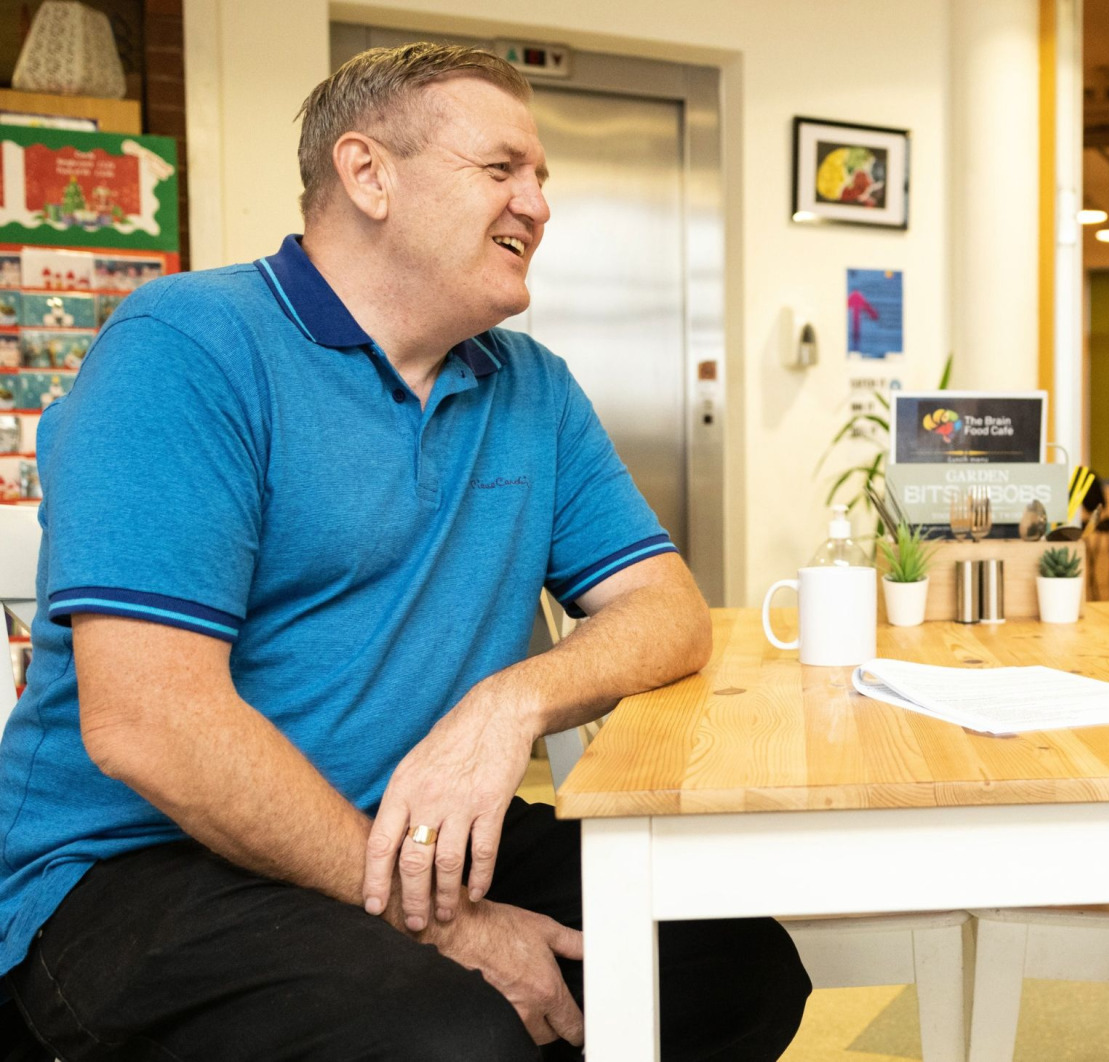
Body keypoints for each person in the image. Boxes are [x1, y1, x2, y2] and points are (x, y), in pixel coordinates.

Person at [0, 43, 810, 1061]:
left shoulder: (533, 388)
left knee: (724, 968)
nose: (538, 204)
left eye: (543, 177)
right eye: (502, 168)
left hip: (412, 835)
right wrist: (449, 928)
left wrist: (504, 703)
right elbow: (152, 724)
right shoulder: (187, 345)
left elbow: (667, 610)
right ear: (367, 173)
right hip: (139, 864)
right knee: (448, 1036)